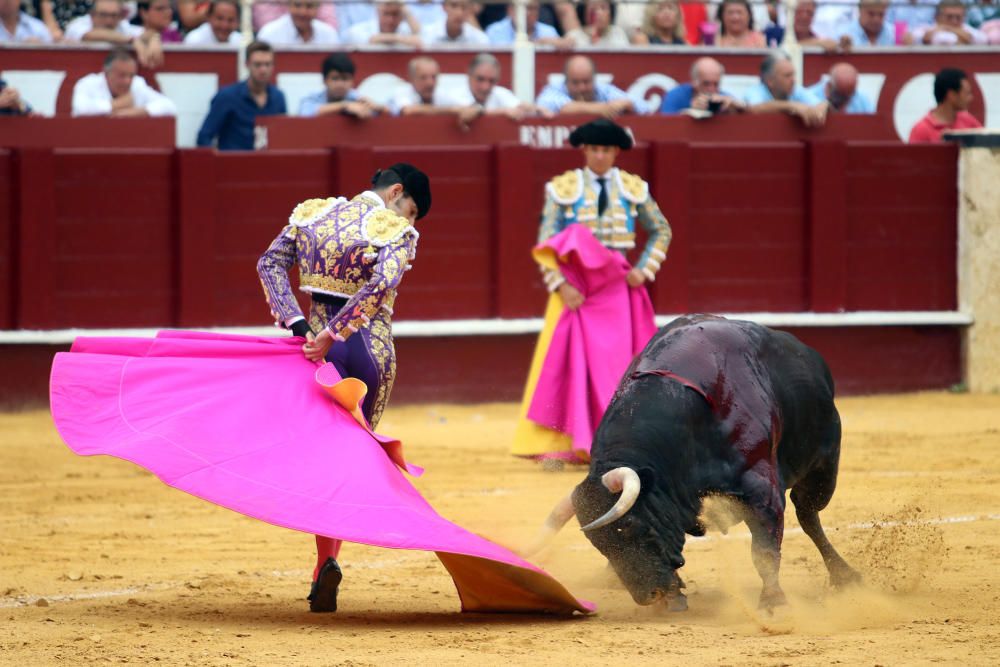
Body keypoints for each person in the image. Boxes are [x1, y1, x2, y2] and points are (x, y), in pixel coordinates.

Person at [256, 163, 432, 612]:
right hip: (370, 354)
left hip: (315, 353)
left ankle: (323, 563)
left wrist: (302, 326)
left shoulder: (313, 215)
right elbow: (383, 283)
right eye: (410, 210)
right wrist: (338, 332)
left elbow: (269, 263)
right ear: (396, 193)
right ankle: (327, 564)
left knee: (323, 456)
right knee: (352, 455)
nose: (409, 222)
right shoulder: (396, 231)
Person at [512, 119, 670, 468]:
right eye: (594, 149)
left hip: (615, 288)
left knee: (617, 367)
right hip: (576, 289)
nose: (600, 156)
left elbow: (661, 230)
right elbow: (546, 243)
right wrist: (562, 286)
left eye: (606, 150)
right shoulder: (562, 188)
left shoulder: (633, 188)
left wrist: (644, 268)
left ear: (616, 152)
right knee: (564, 365)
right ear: (584, 150)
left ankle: (616, 441)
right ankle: (559, 446)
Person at [196, 41, 287, 151]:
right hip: (233, 164)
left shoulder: (278, 97)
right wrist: (218, 163)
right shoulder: (227, 97)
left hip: (268, 164)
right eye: (258, 64)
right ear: (247, 65)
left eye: (267, 64)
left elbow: (283, 136)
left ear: (273, 66)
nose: (263, 70)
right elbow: (204, 137)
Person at [435, 52, 552, 123]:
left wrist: (536, 109)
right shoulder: (452, 95)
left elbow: (519, 106)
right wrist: (503, 112)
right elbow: (469, 112)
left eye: (492, 81)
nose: (485, 87)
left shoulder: (500, 93)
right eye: (480, 79)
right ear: (469, 75)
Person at [71, 47, 177, 117]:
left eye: (131, 75)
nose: (127, 81)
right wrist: (116, 105)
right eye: (122, 75)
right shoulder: (88, 83)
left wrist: (134, 112)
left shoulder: (137, 84)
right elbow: (81, 108)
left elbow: (169, 106)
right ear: (106, 73)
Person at [536, 54, 654, 116]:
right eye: (576, 82)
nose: (582, 88)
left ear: (594, 79)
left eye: (586, 82)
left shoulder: (602, 89)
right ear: (566, 81)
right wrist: (601, 109)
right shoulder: (554, 89)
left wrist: (626, 103)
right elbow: (546, 105)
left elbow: (644, 107)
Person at [64, 0, 163, 69]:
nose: (109, 20)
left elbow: (147, 33)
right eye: (103, 15)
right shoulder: (77, 24)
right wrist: (131, 40)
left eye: (114, 15)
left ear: (120, 16)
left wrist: (154, 38)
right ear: (92, 15)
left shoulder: (122, 25)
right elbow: (91, 35)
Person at [744, 51, 828, 127]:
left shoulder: (796, 90)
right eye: (787, 76)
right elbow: (754, 108)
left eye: (793, 75)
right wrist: (792, 106)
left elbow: (822, 103)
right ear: (770, 81)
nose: (793, 80)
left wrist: (818, 110)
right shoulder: (755, 91)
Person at [298, 52, 385, 118]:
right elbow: (305, 114)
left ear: (352, 81)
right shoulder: (312, 98)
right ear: (325, 81)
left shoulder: (357, 98)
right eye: (335, 78)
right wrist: (344, 106)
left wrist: (376, 108)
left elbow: (384, 113)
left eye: (345, 79)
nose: (340, 84)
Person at [908, 67, 983, 143]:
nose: (971, 98)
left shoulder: (968, 121)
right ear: (951, 95)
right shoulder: (921, 130)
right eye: (967, 94)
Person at [659, 56, 746, 115]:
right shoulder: (675, 96)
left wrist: (735, 107)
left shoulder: (723, 97)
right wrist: (690, 111)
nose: (712, 89)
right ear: (694, 82)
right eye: (706, 84)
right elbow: (666, 125)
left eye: (716, 84)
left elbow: (745, 113)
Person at [485, 0, 568, 46]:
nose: (527, 13)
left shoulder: (549, 32)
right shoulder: (493, 31)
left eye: (531, 8)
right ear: (510, 10)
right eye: (522, 8)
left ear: (538, 11)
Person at [257, 0, 340, 45]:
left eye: (309, 6)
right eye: (297, 5)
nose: (303, 12)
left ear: (318, 7)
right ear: (289, 5)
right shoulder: (269, 34)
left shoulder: (329, 34)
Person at [344, 0, 422, 47]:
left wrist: (406, 11)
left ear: (402, 16)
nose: (390, 20)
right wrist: (399, 39)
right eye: (386, 14)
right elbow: (372, 40)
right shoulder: (359, 30)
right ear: (378, 12)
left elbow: (419, 39)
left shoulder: (405, 29)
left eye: (395, 14)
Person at [807, 63, 875, 113]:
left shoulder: (862, 100)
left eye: (849, 94)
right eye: (841, 94)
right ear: (830, 86)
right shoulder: (809, 96)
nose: (845, 99)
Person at [911, 0, 988, 45]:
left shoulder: (969, 29)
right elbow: (913, 38)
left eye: (958, 17)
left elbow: (983, 40)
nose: (954, 21)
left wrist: (950, 29)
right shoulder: (926, 28)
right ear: (937, 16)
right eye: (949, 17)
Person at [564, 0, 630, 47]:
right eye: (593, 8)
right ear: (584, 12)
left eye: (603, 8)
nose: (599, 13)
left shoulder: (618, 33)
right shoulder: (573, 36)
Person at [421, 0, 489, 44]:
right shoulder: (427, 34)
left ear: (470, 10)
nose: (459, 13)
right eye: (454, 6)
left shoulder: (480, 39)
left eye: (464, 7)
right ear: (443, 7)